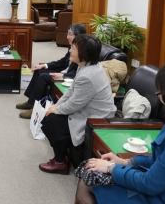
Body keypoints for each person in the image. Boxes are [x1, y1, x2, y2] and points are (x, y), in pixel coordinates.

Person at [75, 61, 165, 203]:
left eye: (159, 93)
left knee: (89, 181)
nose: (160, 98)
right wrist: (127, 161)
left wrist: (112, 168)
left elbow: (150, 184)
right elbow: (164, 160)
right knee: (91, 175)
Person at [39, 34, 116, 174]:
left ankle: (61, 162)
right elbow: (71, 92)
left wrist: (56, 110)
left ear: (84, 54)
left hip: (96, 116)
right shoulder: (85, 65)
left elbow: (74, 104)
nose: (70, 51)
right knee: (51, 115)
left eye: (73, 49)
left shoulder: (88, 75)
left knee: (52, 121)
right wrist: (55, 106)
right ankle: (61, 156)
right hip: (86, 108)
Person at [16, 23, 87, 119]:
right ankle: (31, 102)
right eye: (67, 33)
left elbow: (78, 74)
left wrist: (62, 75)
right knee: (39, 71)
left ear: (78, 36)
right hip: (65, 72)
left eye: (70, 34)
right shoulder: (72, 47)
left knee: (43, 77)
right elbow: (62, 63)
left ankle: (36, 109)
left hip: (70, 77)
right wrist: (44, 65)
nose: (67, 37)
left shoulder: (83, 50)